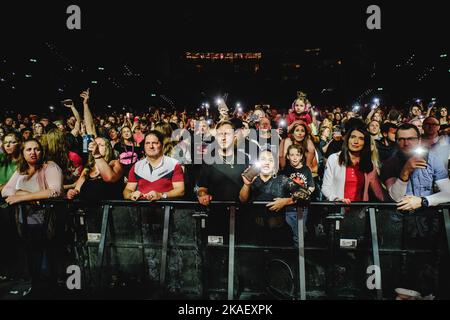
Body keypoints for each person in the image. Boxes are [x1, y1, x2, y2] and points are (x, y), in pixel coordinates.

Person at [1, 139, 64, 295]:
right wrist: (26, 194)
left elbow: (54, 191)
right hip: (25, 222)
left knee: (47, 263)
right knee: (32, 261)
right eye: (28, 149)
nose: (33, 152)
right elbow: (5, 191)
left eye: (36, 149)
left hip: (47, 222)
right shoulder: (21, 169)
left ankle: (49, 291)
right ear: (23, 152)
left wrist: (21, 197)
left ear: (42, 151)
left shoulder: (49, 167)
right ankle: (36, 289)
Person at [322, 127, 385, 203]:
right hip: (338, 210)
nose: (356, 141)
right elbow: (325, 187)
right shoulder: (334, 159)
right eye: (353, 137)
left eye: (361, 138)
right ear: (347, 139)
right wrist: (337, 199)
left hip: (360, 211)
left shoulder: (368, 163)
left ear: (365, 142)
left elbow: (378, 193)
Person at [123, 130, 185, 201]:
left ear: (162, 145)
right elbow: (127, 190)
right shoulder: (137, 166)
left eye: (155, 143)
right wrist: (131, 195)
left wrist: (161, 195)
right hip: (142, 208)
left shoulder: (174, 165)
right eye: (147, 143)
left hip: (165, 208)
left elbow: (180, 191)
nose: (151, 146)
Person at [66, 137, 123, 201]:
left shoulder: (115, 163)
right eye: (94, 144)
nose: (96, 146)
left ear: (108, 148)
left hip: (106, 208)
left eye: (100, 145)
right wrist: (72, 193)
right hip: (86, 208)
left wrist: (97, 155)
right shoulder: (88, 169)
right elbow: (77, 189)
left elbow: (109, 178)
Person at [280, 144, 315, 246]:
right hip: (288, 208)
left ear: (301, 156)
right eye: (292, 155)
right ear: (288, 156)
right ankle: (293, 256)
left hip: (303, 207)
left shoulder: (306, 169)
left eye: (297, 155)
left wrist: (305, 194)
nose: (294, 157)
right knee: (290, 233)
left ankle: (299, 257)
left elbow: (311, 186)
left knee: (300, 234)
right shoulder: (285, 170)